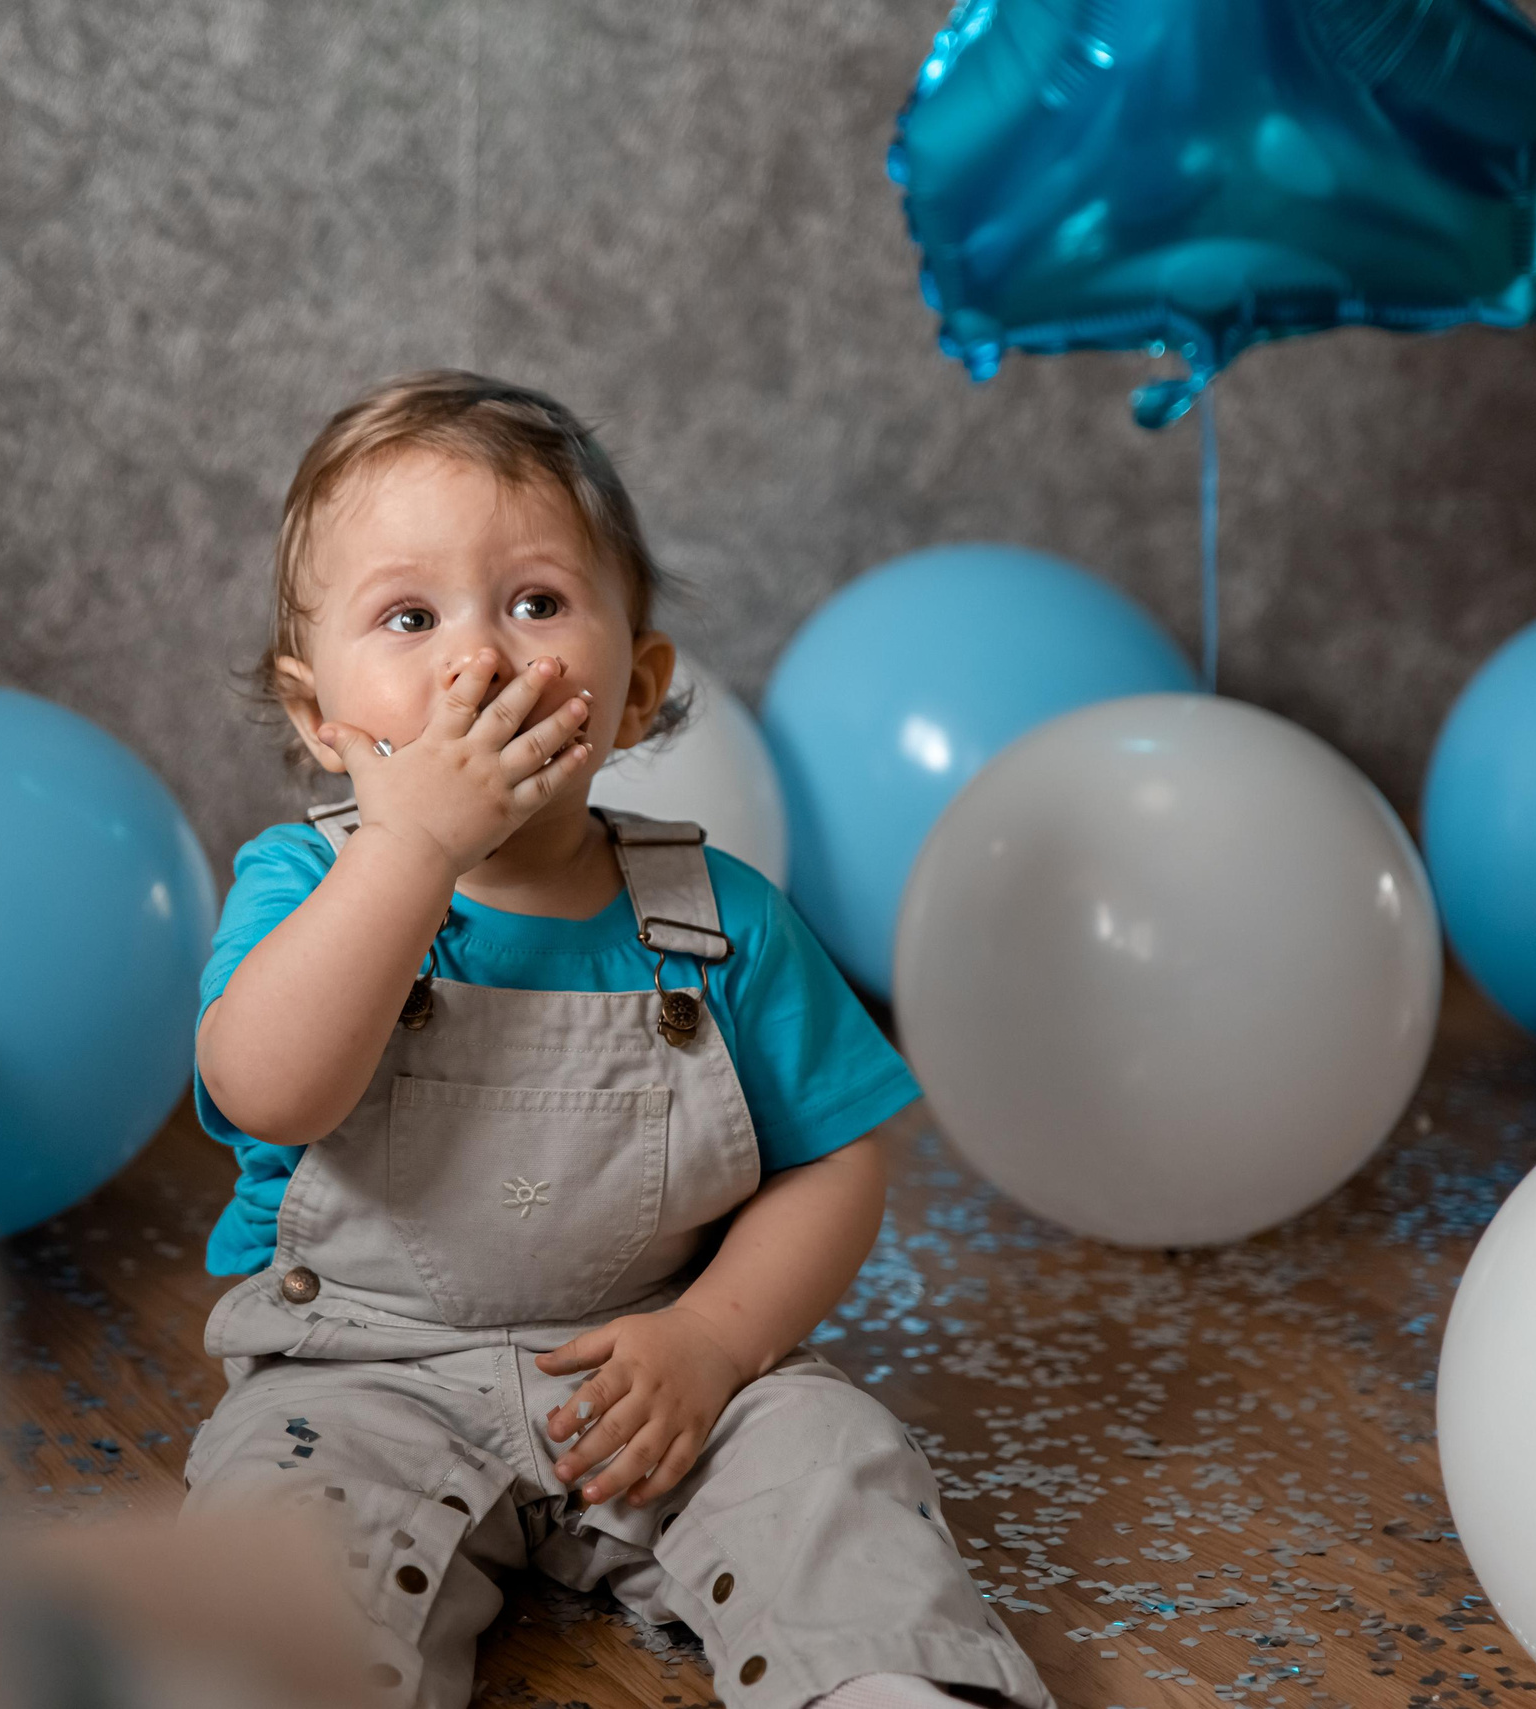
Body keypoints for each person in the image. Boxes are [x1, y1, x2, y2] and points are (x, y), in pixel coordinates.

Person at [179, 371, 1053, 1709]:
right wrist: (413, 847)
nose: (481, 658)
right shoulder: (302, 887)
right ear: (318, 716)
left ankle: (883, 1682)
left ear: (635, 686)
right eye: (410, 616)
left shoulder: (714, 919)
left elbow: (836, 1165)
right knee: (284, 1531)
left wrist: (714, 1338)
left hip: (654, 1370)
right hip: (362, 1376)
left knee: (826, 1453)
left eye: (537, 602)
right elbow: (270, 1089)